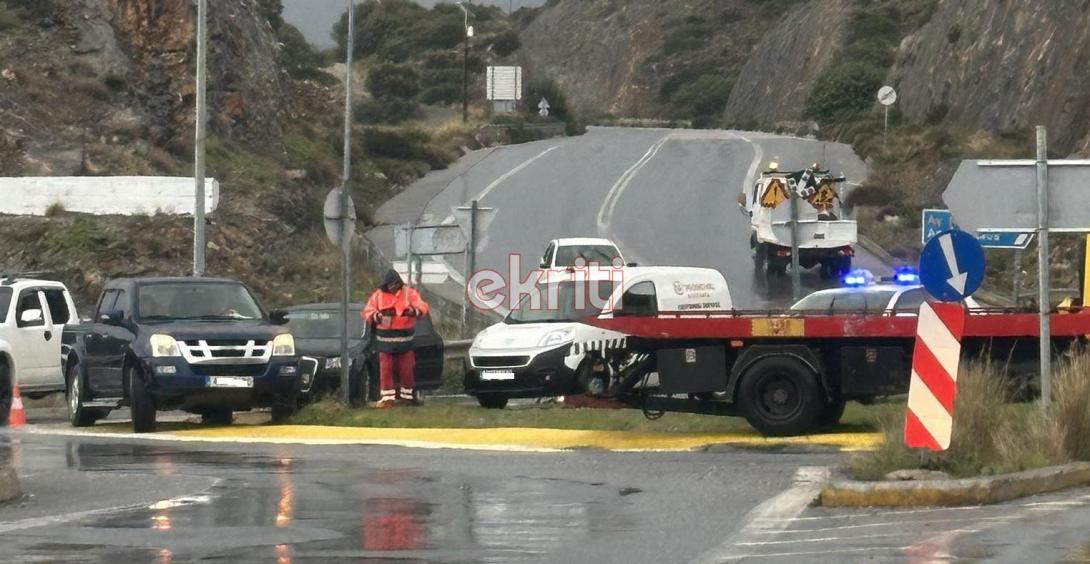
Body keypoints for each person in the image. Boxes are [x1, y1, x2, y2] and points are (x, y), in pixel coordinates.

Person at [362, 270, 429, 407]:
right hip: (385, 340)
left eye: (395, 284)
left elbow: (422, 306)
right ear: (385, 284)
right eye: (390, 284)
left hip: (405, 339)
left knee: (407, 369)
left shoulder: (409, 293)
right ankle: (387, 399)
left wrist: (413, 311)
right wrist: (377, 316)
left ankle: (407, 397)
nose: (393, 287)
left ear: (399, 283)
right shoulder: (378, 295)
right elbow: (367, 311)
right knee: (385, 370)